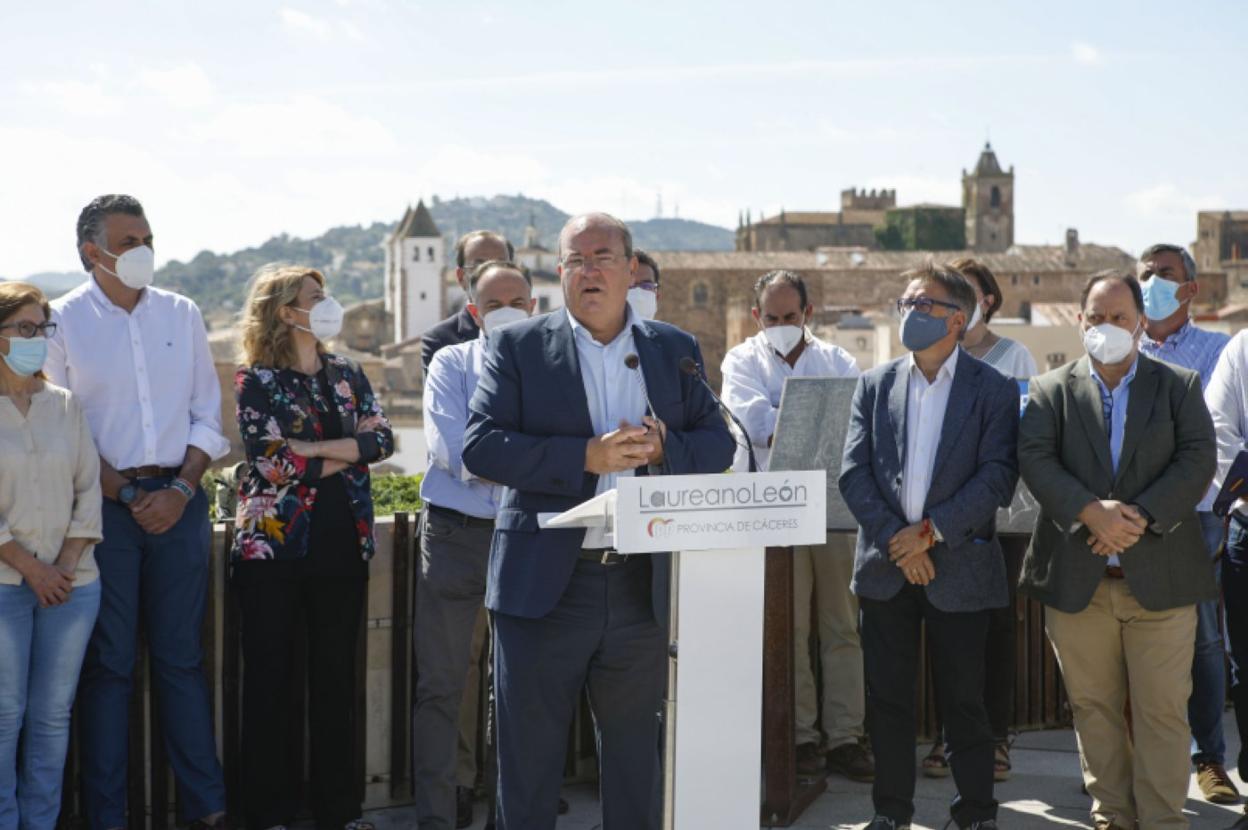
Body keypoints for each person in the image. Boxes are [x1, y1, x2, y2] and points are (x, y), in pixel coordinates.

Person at [462, 213, 734, 829]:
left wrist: (667, 449)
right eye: (575, 259)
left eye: (603, 257)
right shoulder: (518, 347)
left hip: (641, 585)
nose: (589, 270)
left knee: (637, 762)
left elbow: (719, 444)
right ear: (559, 273)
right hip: (544, 588)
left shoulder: (674, 350)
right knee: (528, 766)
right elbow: (480, 446)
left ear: (631, 268)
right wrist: (585, 456)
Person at [46, 194, 232, 830]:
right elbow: (61, 429)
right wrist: (126, 495)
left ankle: (208, 808)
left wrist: (180, 489)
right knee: (110, 666)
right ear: (91, 252)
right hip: (106, 514)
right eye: (129, 241)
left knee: (182, 659)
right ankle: (107, 816)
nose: (143, 250)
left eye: (148, 237)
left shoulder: (182, 311)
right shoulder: (62, 321)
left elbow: (209, 417)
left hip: (180, 506)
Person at [1018, 271, 1216, 830]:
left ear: (1140, 324)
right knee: (1094, 712)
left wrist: (1140, 518)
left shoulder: (1178, 385)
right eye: (1097, 318)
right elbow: (1036, 460)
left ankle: (1161, 821)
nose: (1108, 328)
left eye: (1120, 318)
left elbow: (1198, 460)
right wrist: (1091, 513)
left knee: (1162, 715)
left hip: (1160, 583)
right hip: (1079, 585)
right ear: (1081, 321)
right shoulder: (1049, 390)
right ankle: (1111, 817)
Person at [840, 263, 1018, 830]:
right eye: (906, 303)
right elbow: (853, 473)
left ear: (958, 319)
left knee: (965, 704)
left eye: (924, 304)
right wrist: (903, 544)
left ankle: (976, 815)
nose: (910, 313)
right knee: (887, 703)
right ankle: (891, 814)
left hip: (959, 569)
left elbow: (997, 476)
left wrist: (930, 535)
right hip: (887, 571)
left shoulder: (990, 388)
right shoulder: (874, 384)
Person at [233, 264, 394, 830]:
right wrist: (348, 450)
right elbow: (272, 463)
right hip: (270, 554)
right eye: (315, 297)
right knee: (271, 682)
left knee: (335, 683)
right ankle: (268, 812)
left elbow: (383, 439)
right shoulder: (255, 380)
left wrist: (317, 448)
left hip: (342, 547)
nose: (328, 305)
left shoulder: (348, 372)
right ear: (286, 312)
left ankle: (338, 811)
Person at [720, 270, 871, 781]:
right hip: (769, 508)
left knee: (841, 625)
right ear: (757, 316)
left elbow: (849, 427)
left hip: (832, 508)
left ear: (807, 315)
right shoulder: (740, 360)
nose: (781, 325)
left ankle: (846, 736)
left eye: (790, 316)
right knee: (789, 628)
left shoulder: (837, 360)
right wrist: (810, 416)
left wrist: (789, 415)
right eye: (772, 317)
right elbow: (756, 427)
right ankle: (802, 738)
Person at [414, 260, 535, 830]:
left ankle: (506, 814)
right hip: (458, 537)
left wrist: (530, 463)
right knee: (443, 682)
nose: (507, 312)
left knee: (520, 684)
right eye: (493, 304)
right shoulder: (451, 363)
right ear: (473, 313)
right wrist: (535, 462)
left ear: (536, 307)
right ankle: (438, 816)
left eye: (517, 301)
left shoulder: (554, 371)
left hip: (527, 534)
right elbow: (453, 452)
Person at [922, 258, 1037, 781]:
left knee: (995, 626)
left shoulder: (1014, 358)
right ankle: (950, 737)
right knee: (946, 629)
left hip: (999, 514)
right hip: (940, 517)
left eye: (964, 293)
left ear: (986, 300)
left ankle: (995, 738)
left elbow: (1021, 433)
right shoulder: (926, 355)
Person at [1134, 244, 1235, 805]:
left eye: (1164, 275)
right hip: (1128, 515)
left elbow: (1218, 442)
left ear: (1191, 288)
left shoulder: (1219, 353)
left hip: (1197, 515)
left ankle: (1210, 759)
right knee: (1125, 632)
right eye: (1145, 274)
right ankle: (1126, 757)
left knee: (1201, 638)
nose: (1152, 283)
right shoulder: (1118, 346)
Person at [0, 283, 102, 830]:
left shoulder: (64, 406)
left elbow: (88, 490)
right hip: (5, 586)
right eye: (24, 328)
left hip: (74, 585)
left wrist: (62, 565)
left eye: (42, 328)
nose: (37, 338)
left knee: (51, 719)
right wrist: (32, 568)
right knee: (3, 717)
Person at [421, 231, 514, 372]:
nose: (491, 274)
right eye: (479, 266)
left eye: (500, 265)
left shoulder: (535, 334)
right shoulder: (440, 340)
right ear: (460, 277)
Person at [627, 249, 661, 321]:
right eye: (629, 285)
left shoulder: (670, 332)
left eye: (646, 286)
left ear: (657, 297)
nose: (638, 293)